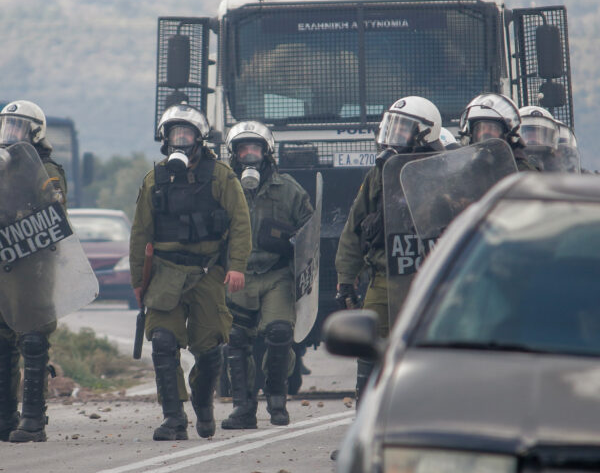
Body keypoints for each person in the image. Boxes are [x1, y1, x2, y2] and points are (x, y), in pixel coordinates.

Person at [129, 103, 251, 440]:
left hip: (207, 272)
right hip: (165, 273)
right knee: (164, 342)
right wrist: (138, 281)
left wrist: (237, 266)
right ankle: (174, 418)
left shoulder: (222, 176)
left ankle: (202, 402)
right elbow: (140, 232)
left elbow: (241, 224)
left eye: (185, 134)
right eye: (173, 134)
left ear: (199, 139)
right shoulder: (155, 179)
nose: (179, 140)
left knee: (210, 349)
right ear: (165, 140)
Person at [0, 100, 67, 444]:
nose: (9, 136)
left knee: (33, 339)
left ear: (35, 134)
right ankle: (4, 417)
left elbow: (54, 211)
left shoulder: (47, 169)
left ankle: (32, 419)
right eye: (6, 128)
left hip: (33, 269)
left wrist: (8, 215)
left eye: (17, 129)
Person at [335, 96, 442, 402]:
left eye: (403, 130)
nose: (393, 137)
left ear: (425, 134)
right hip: (385, 276)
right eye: (392, 128)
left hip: (433, 277)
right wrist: (346, 279)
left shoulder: (444, 173)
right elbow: (354, 230)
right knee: (369, 347)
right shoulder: (378, 176)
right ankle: (365, 431)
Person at [220, 121, 313, 428]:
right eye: (242, 149)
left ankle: (276, 398)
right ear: (234, 154)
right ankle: (243, 407)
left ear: (267, 152)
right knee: (236, 340)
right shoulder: (221, 188)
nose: (249, 155)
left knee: (279, 333)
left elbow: (309, 232)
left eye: (255, 148)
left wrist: (292, 244)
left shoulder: (288, 190)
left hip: (275, 274)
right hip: (237, 274)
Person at [458, 93, 539, 171]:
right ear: (471, 135)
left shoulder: (520, 170)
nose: (486, 133)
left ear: (507, 135)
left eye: (492, 128)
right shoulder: (466, 170)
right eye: (481, 129)